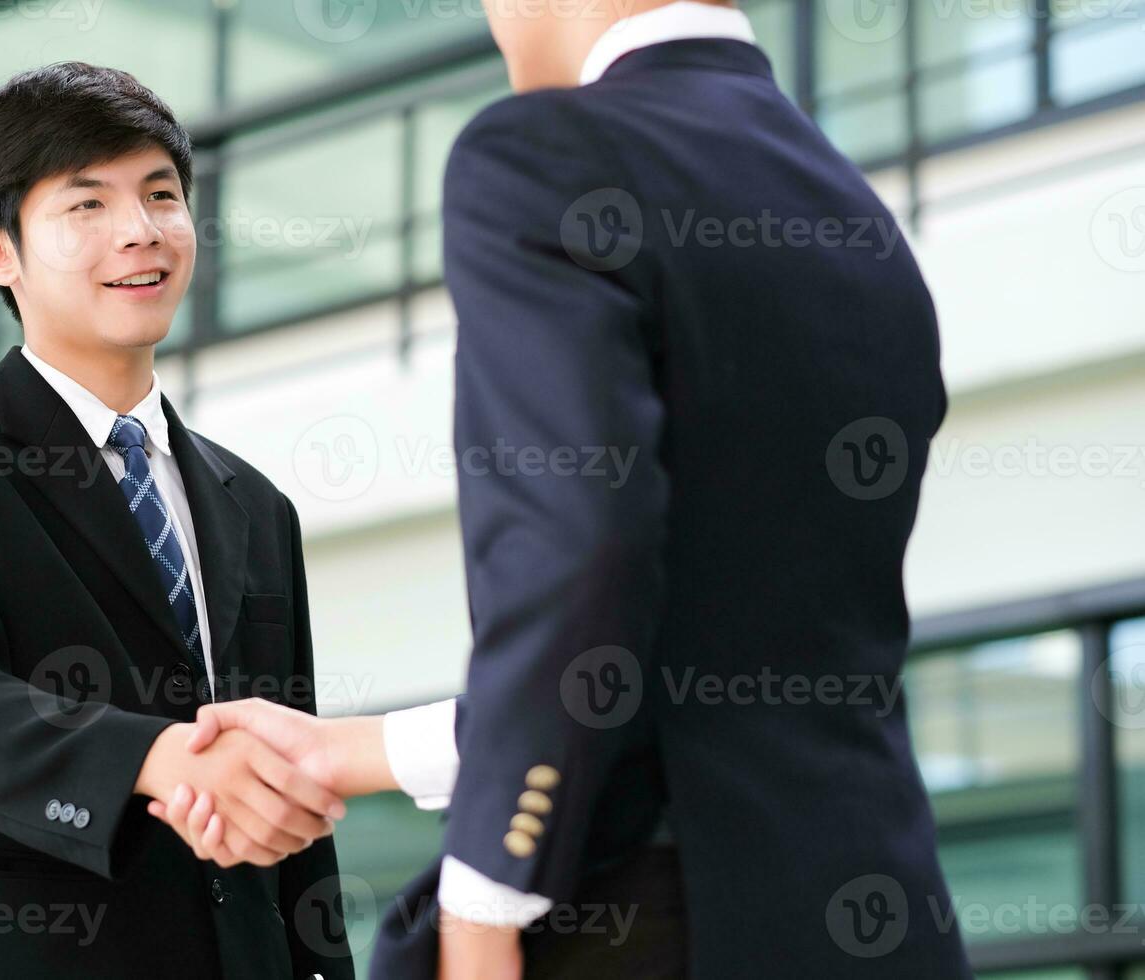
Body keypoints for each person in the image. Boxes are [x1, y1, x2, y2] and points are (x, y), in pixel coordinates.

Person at [152, 2, 975, 977]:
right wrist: (357, 750)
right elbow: (699, 657)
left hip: (642, 914)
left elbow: (583, 545)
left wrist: (486, 894)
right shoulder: (850, 205)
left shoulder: (543, 152)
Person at [0, 62, 353, 979]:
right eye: (86, 205)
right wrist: (158, 758)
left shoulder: (257, 506)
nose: (140, 231)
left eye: (161, 194)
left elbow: (288, 781)